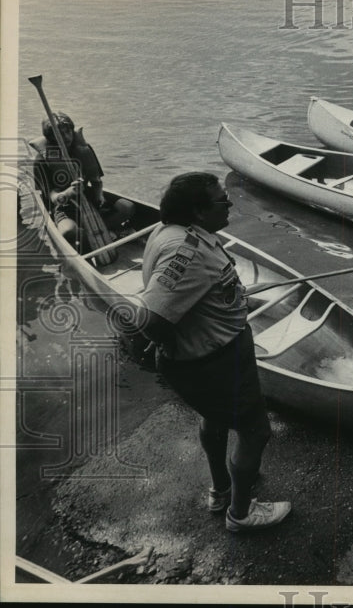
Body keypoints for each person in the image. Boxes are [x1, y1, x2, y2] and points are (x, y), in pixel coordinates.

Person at [118, 172, 290, 533]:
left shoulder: (172, 232)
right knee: (255, 432)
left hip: (207, 358)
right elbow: (146, 318)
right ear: (197, 212)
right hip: (215, 362)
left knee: (215, 418)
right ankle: (241, 514)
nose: (229, 204)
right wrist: (163, 338)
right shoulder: (187, 252)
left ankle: (222, 487)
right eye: (221, 201)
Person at [30, 111, 134, 247]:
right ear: (50, 137)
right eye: (60, 134)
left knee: (127, 207)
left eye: (68, 132)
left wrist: (98, 195)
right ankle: (108, 233)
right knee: (68, 232)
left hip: (89, 201)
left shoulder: (83, 150)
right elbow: (50, 197)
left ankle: (97, 233)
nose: (66, 137)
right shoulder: (41, 161)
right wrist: (68, 192)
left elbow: (96, 182)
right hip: (64, 207)